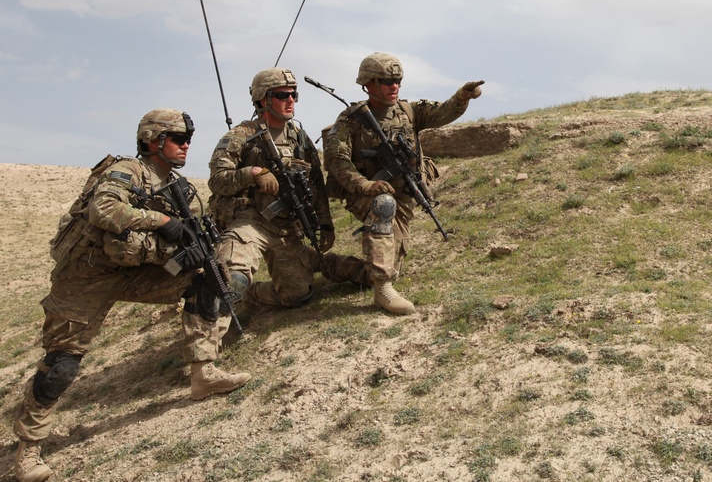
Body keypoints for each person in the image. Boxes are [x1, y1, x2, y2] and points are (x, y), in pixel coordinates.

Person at [12, 109, 250, 482]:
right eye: (177, 138)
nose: (186, 144)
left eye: (188, 137)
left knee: (205, 281)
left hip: (135, 273)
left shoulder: (180, 187)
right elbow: (103, 209)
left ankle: (204, 373)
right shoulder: (127, 171)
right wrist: (164, 222)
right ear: (154, 141)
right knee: (61, 365)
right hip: (86, 275)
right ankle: (29, 450)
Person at [322, 52, 484, 315]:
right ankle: (382, 290)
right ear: (369, 84)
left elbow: (442, 113)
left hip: (404, 191)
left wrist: (462, 97)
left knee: (390, 263)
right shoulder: (350, 120)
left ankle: (328, 265)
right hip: (367, 193)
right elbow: (337, 162)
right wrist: (365, 185)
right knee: (383, 206)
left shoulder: (409, 111)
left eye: (398, 80)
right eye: (387, 81)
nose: (394, 85)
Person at [208, 67, 367, 325]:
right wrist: (253, 172)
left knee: (297, 295)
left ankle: (254, 293)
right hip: (251, 222)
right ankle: (213, 330)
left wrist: (324, 224)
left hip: (286, 227)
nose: (291, 100)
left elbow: (316, 185)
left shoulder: (300, 139)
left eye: (294, 94)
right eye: (283, 95)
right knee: (232, 278)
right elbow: (217, 180)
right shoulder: (241, 136)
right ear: (263, 100)